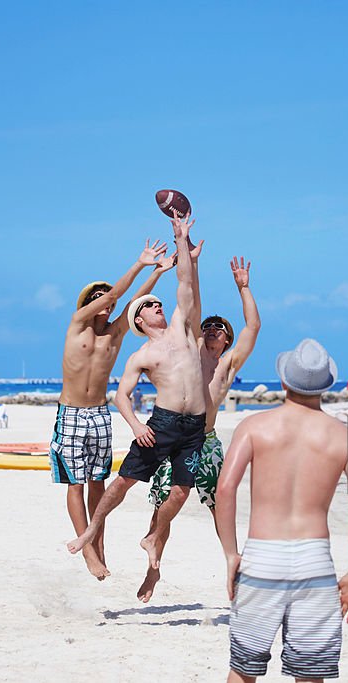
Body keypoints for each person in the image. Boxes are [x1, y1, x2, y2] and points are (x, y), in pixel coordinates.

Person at [215, 339, 348, 682]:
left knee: (243, 671)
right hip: (315, 562)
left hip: (262, 555)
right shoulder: (347, 438)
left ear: (284, 381)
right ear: (325, 385)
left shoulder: (254, 427)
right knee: (310, 673)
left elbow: (225, 489)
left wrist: (231, 554)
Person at [67, 213, 206, 572]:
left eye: (157, 303)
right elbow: (122, 396)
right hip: (161, 424)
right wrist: (136, 426)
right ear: (139, 322)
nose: (157, 306)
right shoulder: (140, 354)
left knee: (180, 491)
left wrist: (182, 242)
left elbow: (185, 287)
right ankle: (92, 531)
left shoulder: (182, 330)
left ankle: (152, 538)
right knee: (123, 481)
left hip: (195, 426)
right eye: (149, 306)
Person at [138, 255, 261, 602]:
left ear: (226, 340)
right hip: (178, 437)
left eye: (219, 328)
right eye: (208, 325)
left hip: (205, 442)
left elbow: (252, 328)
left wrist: (244, 287)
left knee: (220, 503)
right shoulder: (189, 352)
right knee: (163, 504)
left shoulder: (228, 365)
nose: (211, 329)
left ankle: (232, 565)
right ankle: (153, 566)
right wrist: (192, 261)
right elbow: (191, 298)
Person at [54, 239, 174, 580]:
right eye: (97, 299)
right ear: (87, 304)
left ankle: (97, 542)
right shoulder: (77, 323)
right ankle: (88, 551)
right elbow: (112, 298)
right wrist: (140, 264)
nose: (104, 304)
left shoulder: (114, 335)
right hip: (71, 414)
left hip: (98, 415)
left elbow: (134, 304)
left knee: (98, 484)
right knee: (75, 485)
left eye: (105, 300)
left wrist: (158, 273)